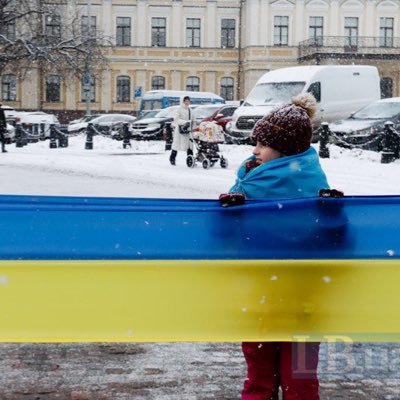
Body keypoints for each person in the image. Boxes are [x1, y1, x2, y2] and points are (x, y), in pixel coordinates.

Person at [224, 93, 329, 400]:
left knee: (294, 379)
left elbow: (336, 240)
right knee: (266, 375)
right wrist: (230, 209)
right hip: (276, 295)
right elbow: (225, 236)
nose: (254, 151)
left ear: (283, 151)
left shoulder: (312, 185)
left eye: (261, 144)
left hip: (289, 297)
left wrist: (333, 213)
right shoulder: (249, 181)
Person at [169, 96, 195, 165]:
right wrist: (185, 122)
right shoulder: (179, 109)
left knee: (189, 145)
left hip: (188, 130)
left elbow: (193, 119)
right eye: (186, 101)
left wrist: (194, 125)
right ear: (183, 101)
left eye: (188, 101)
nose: (187, 102)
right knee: (177, 145)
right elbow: (176, 119)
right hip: (181, 130)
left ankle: (190, 160)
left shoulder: (190, 110)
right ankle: (172, 158)